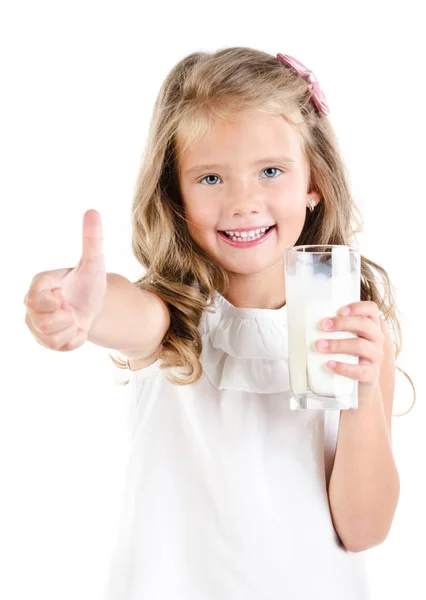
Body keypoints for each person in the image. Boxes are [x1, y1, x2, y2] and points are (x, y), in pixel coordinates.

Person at [23, 47, 415, 599]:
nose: (242, 203)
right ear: (175, 194)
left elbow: (364, 529)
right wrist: (78, 306)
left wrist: (362, 392)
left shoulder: (351, 333)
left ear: (314, 182)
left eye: (271, 172)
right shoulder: (173, 316)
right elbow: (126, 313)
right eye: (210, 178)